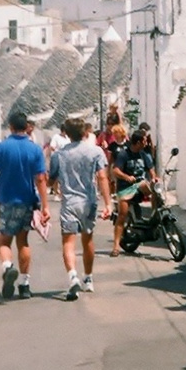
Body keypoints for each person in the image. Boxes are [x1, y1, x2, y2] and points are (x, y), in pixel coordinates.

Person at [0, 111, 49, 299]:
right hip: (27, 200)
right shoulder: (34, 149)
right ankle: (25, 284)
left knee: (4, 241)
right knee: (23, 241)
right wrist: (45, 206)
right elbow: (41, 179)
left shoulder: (1, 148)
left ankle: (8, 267)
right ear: (26, 127)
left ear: (10, 127)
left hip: (6, 200)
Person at [49, 116, 113, 299]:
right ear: (85, 132)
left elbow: (51, 180)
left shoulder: (58, 156)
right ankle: (89, 278)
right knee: (88, 240)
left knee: (68, 242)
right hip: (89, 202)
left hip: (69, 202)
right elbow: (102, 178)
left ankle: (73, 277)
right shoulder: (96, 152)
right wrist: (108, 203)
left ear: (67, 134)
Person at [111, 130, 157, 255]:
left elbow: (151, 169)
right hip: (125, 188)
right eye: (144, 141)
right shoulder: (124, 154)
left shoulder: (144, 154)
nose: (146, 143)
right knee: (122, 215)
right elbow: (115, 170)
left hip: (140, 185)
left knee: (155, 193)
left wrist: (154, 178)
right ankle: (116, 246)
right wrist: (126, 177)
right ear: (138, 142)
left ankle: (154, 215)